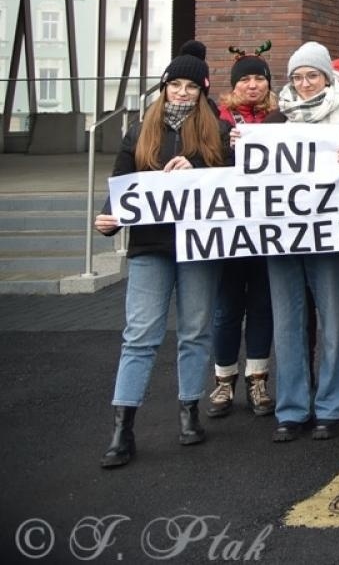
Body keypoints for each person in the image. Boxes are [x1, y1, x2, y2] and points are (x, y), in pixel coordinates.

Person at [94, 47, 230, 468]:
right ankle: (122, 426)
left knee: (194, 330)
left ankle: (189, 412)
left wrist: (197, 170)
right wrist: (109, 217)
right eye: (175, 85)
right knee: (140, 335)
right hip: (150, 246)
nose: (182, 93)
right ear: (164, 87)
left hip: (199, 246)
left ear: (202, 89)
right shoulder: (139, 131)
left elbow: (236, 179)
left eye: (191, 86)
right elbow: (121, 182)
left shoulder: (219, 133)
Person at [259, 42, 339, 442]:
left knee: (335, 321)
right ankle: (291, 409)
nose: (305, 84)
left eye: (313, 75)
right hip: (284, 238)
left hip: (333, 237)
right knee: (287, 323)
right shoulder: (272, 124)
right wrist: (239, 151)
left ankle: (331, 407)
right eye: (298, 76)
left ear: (328, 77)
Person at [205, 46, 277, 420]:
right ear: (234, 85)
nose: (252, 85)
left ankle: (258, 378)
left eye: (259, 78)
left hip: (268, 230)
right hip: (229, 231)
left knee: (262, 306)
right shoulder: (216, 121)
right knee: (227, 307)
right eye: (245, 79)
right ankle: (224, 379)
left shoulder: (281, 119)